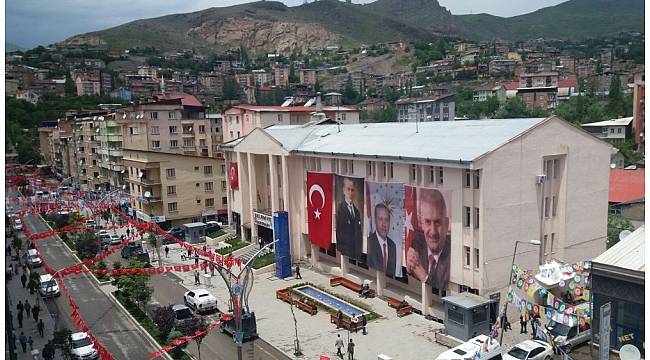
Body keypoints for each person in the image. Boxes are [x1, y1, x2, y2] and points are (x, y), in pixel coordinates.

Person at [405, 188, 451, 290]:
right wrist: (409, 267)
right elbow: (410, 269)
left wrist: (423, 275)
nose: (433, 232)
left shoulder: (451, 255)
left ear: (446, 224)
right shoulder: (417, 242)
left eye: (438, 222)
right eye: (428, 222)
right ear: (421, 223)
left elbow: (440, 288)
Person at [335, 177, 363, 260]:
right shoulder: (340, 208)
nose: (350, 192)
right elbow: (339, 230)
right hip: (346, 248)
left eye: (352, 190)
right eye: (348, 189)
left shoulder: (357, 211)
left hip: (355, 250)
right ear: (344, 190)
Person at [367, 203, 398, 276]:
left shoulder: (392, 246)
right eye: (380, 219)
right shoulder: (369, 243)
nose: (384, 224)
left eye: (386, 220)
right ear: (375, 220)